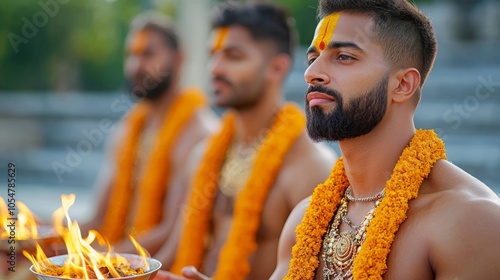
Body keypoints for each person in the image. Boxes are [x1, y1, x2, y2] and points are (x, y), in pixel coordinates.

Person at [271, 0, 500, 279]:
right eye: (312, 59)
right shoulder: (304, 221)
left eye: (343, 56)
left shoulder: (469, 221)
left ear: (403, 85)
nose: (311, 73)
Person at [153, 2, 337, 279]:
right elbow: (172, 253)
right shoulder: (202, 155)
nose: (215, 68)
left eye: (233, 56)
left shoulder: (310, 167)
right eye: (212, 55)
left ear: (277, 67)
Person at [80, 11, 218, 256]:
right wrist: (48, 238)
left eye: (147, 54)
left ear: (178, 59)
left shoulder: (199, 133)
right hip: (115, 257)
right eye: (131, 55)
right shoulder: (128, 129)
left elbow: (169, 231)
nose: (136, 66)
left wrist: (106, 262)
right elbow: (97, 218)